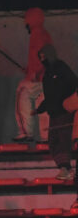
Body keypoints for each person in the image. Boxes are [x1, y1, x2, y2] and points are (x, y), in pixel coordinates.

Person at [34, 44, 78, 184]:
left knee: (63, 141)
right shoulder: (47, 74)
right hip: (54, 114)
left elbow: (72, 84)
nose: (42, 59)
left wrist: (67, 102)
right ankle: (64, 168)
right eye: (40, 57)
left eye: (43, 56)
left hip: (64, 112)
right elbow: (50, 96)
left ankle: (66, 169)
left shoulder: (61, 67)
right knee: (53, 142)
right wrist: (39, 109)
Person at [15, 7, 53, 143]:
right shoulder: (45, 34)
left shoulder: (37, 34)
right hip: (45, 78)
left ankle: (26, 133)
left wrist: (33, 72)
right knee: (43, 107)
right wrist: (30, 69)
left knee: (22, 93)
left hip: (37, 78)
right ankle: (45, 137)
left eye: (26, 20)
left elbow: (40, 57)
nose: (25, 23)